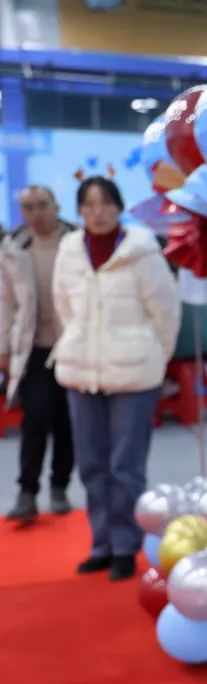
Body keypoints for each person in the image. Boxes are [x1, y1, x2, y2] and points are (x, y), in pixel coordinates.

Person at [52, 177, 180, 580]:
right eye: (89, 205)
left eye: (106, 203)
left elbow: (166, 312)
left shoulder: (141, 250)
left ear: (119, 207)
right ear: (79, 211)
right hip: (81, 370)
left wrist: (153, 356)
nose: (98, 213)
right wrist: (80, 341)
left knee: (126, 466)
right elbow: (63, 305)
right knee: (91, 463)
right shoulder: (69, 249)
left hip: (134, 372)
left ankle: (126, 545)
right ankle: (101, 543)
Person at [1, 186, 78, 523]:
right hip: (32, 347)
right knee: (35, 418)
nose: (37, 213)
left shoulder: (77, 242)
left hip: (72, 345)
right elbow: (5, 302)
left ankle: (60, 486)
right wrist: (3, 347)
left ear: (56, 206)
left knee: (67, 421)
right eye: (29, 207)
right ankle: (27, 492)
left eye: (43, 205)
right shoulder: (13, 248)